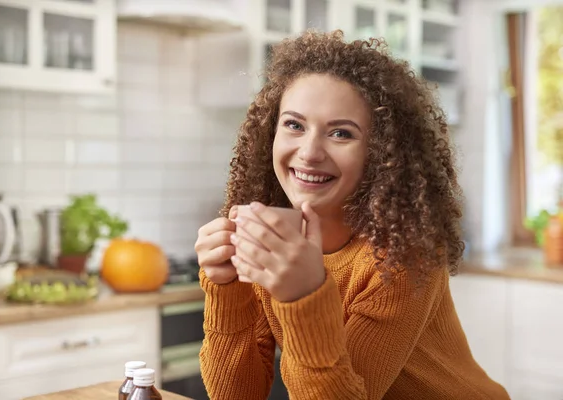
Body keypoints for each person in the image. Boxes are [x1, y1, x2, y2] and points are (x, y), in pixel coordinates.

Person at [194, 30, 510, 400]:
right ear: (270, 134)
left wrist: (304, 296)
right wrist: (226, 289)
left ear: (380, 154)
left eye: (341, 133)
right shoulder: (272, 243)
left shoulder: (403, 259)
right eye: (294, 125)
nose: (309, 152)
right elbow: (236, 396)